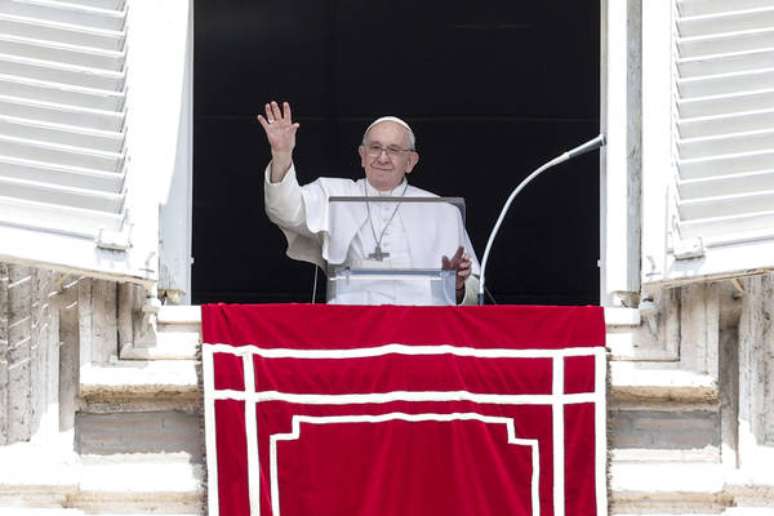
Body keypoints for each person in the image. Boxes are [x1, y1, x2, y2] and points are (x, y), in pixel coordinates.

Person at [259, 100, 480, 305]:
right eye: (375, 148)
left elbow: (474, 293)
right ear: (362, 156)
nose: (382, 158)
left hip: (420, 326)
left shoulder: (442, 211)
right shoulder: (333, 193)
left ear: (410, 161)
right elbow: (283, 211)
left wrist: (458, 287)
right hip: (353, 324)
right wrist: (282, 154)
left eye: (393, 150)